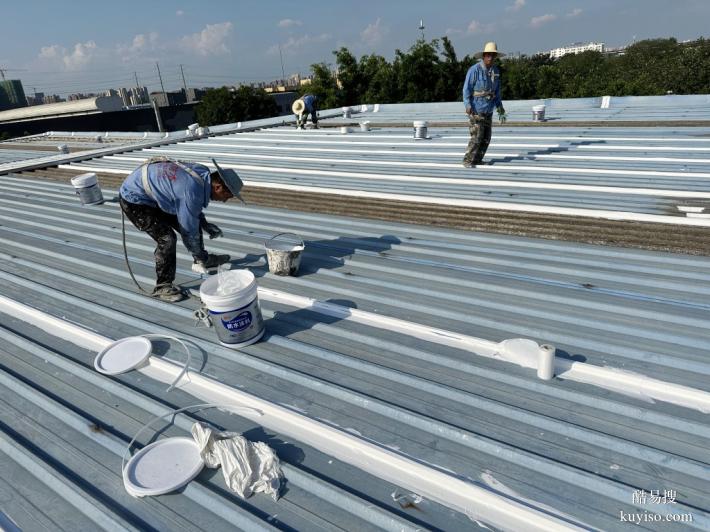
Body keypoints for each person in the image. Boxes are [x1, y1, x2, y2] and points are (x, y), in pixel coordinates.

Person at [119, 157, 242, 302]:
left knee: (192, 222)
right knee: (167, 238)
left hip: (153, 193)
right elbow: (189, 228)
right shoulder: (191, 190)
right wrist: (197, 232)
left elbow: (190, 209)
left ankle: (202, 260)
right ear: (218, 187)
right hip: (134, 199)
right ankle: (162, 286)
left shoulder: (202, 172)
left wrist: (204, 223)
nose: (225, 200)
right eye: (227, 196)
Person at [462, 42, 507, 168]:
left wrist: (500, 108)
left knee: (486, 138)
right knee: (476, 137)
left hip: (488, 110)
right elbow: (466, 89)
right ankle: (468, 160)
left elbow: (496, 92)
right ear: (483, 56)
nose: (490, 58)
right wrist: (467, 104)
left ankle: (477, 159)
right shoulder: (474, 70)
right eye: (488, 55)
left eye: (492, 55)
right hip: (476, 110)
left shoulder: (495, 72)